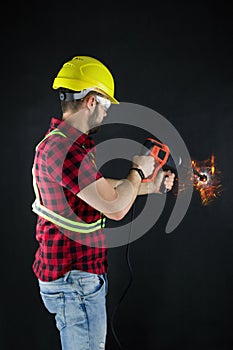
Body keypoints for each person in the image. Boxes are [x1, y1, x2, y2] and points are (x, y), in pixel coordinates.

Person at [31, 55, 175, 350]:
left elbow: (98, 192)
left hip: (77, 278)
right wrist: (138, 170)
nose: (108, 113)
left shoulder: (69, 142)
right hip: (75, 281)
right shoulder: (65, 148)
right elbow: (117, 207)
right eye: (107, 104)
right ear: (92, 100)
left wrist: (151, 186)